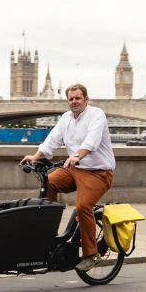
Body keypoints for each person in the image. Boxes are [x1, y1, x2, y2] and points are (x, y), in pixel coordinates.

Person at [21, 84, 116, 271]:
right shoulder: (66, 118)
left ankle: (91, 254)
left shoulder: (96, 114)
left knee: (82, 207)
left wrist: (77, 155)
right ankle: (49, 235)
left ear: (86, 100)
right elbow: (52, 140)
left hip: (98, 172)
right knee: (48, 183)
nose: (74, 102)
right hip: (74, 169)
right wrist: (35, 157)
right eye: (71, 99)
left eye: (78, 98)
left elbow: (92, 142)